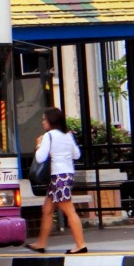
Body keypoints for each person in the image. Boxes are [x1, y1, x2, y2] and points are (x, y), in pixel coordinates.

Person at [26, 107, 87, 254]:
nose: (42, 122)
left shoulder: (49, 136)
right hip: (66, 175)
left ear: (50, 121)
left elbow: (40, 157)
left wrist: (39, 144)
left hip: (58, 176)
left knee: (69, 210)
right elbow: (77, 155)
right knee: (47, 209)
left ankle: (80, 245)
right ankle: (41, 243)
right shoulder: (67, 135)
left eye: (44, 119)